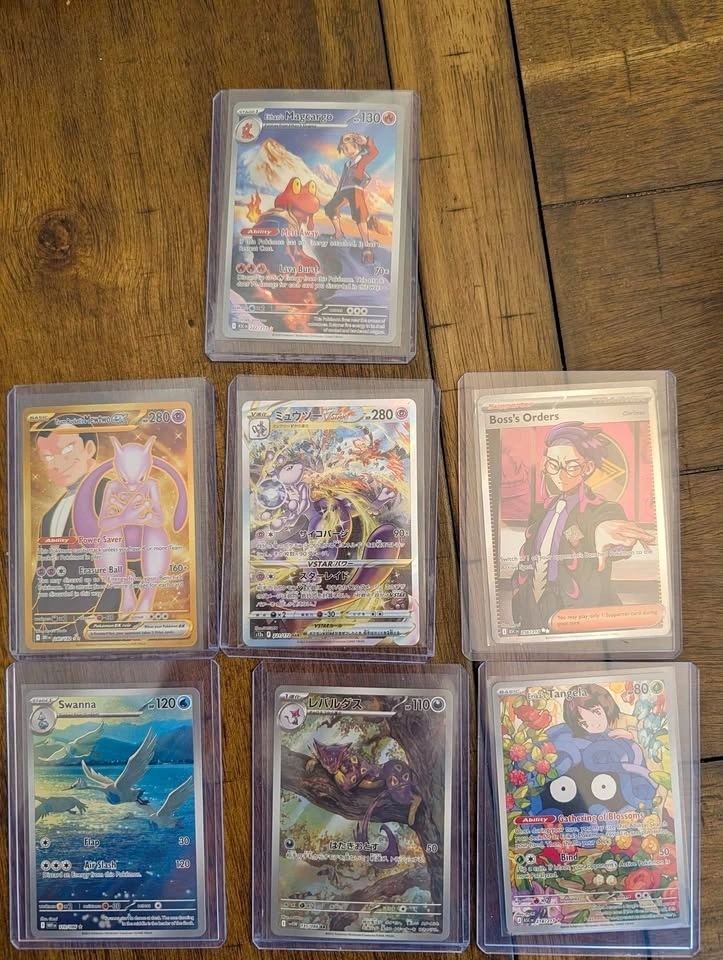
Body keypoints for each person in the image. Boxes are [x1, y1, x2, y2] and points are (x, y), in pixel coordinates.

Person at [511, 421, 656, 632]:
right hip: (534, 604)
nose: (560, 475)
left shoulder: (600, 509)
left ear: (587, 468)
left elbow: (604, 526)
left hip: (578, 609)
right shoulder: (539, 511)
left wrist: (604, 533)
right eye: (553, 465)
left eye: (571, 467)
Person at [33, 423, 119, 632]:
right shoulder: (48, 516)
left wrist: (106, 617)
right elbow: (43, 572)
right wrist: (31, 614)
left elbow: (127, 562)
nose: (57, 463)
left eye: (67, 450)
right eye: (48, 457)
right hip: (51, 624)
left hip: (94, 621)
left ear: (89, 449)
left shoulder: (111, 494)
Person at [324, 132, 379, 264]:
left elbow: (374, 152)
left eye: (348, 148)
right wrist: (337, 192)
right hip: (344, 190)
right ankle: (338, 233)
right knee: (330, 208)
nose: (346, 151)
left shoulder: (361, 159)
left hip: (355, 189)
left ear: (357, 146)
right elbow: (342, 180)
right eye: (343, 149)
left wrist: (367, 141)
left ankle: (366, 247)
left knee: (360, 214)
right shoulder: (347, 164)